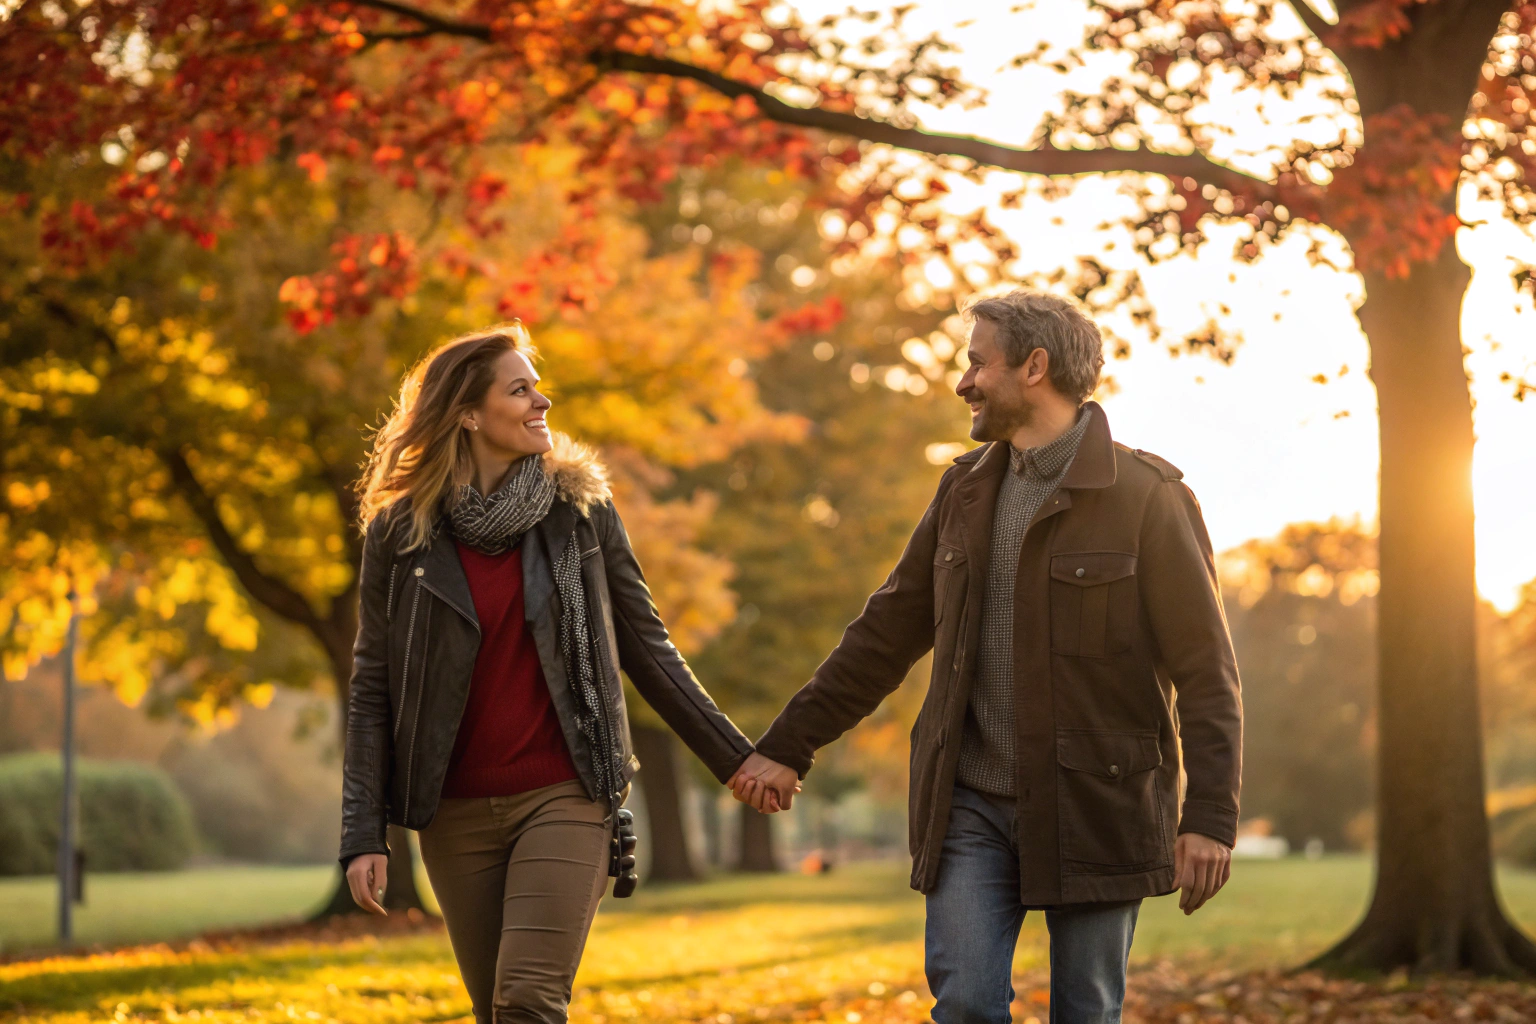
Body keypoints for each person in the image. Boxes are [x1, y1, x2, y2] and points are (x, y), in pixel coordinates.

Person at [730, 291, 1243, 1024]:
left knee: (1086, 1011)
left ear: (1035, 367)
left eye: (977, 362)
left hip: (1098, 803)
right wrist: (789, 745)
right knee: (966, 1003)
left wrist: (1212, 816)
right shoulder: (964, 489)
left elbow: (1206, 673)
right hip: (969, 801)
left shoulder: (1147, 497)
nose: (964, 381)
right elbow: (885, 633)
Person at [339, 324, 780, 1024]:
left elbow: (647, 647)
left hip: (567, 792)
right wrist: (364, 832)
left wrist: (736, 758)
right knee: (495, 1010)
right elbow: (373, 686)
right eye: (520, 390)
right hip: (451, 813)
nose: (542, 401)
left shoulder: (580, 513)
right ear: (468, 414)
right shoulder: (402, 532)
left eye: (536, 386)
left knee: (529, 1001)